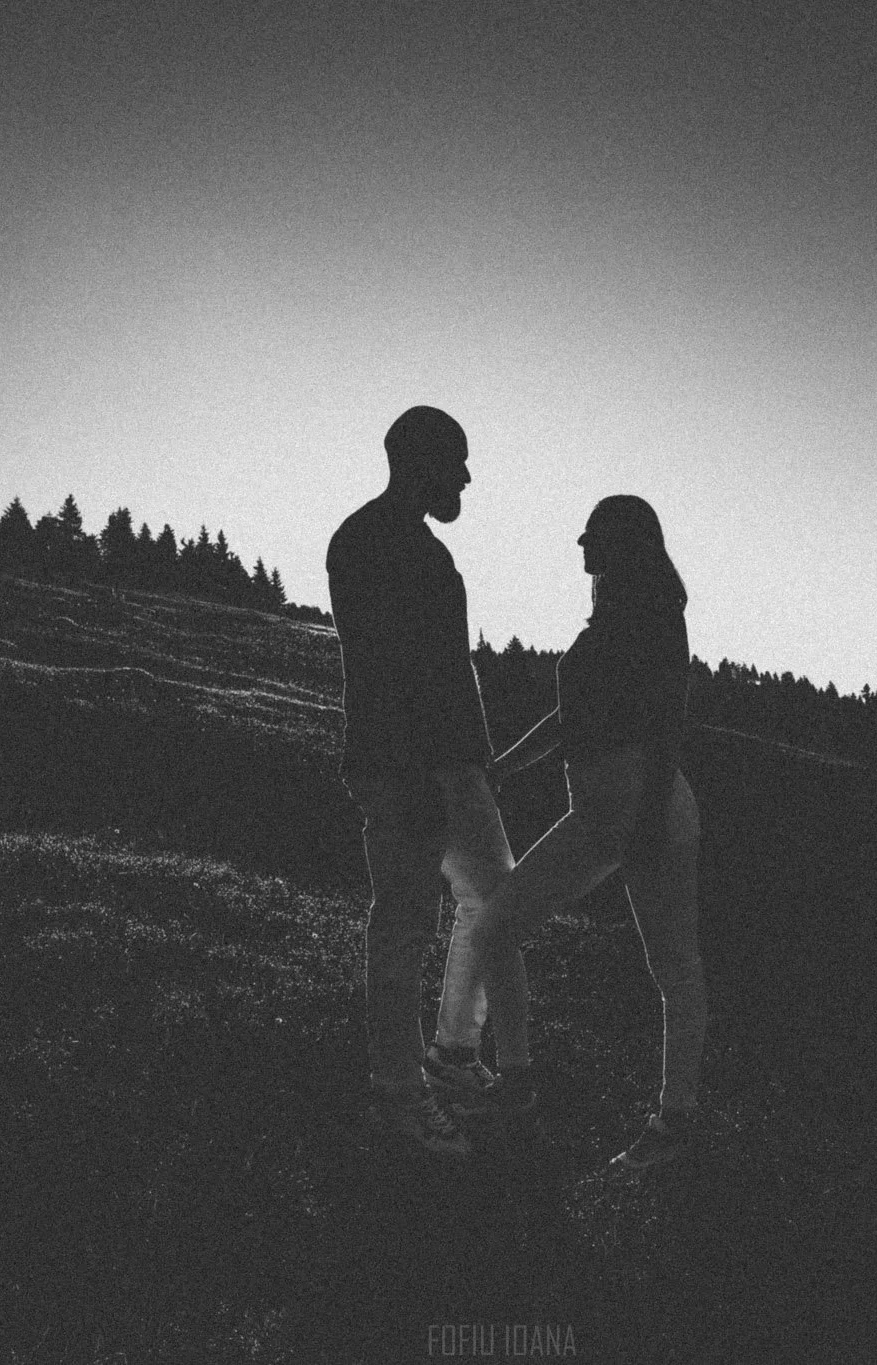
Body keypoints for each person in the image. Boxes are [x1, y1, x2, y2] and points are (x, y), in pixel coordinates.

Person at [461, 494, 706, 1170]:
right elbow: (568, 721)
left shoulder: (659, 621)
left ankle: (675, 1121)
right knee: (495, 927)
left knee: (674, 969)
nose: (580, 543)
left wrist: (648, 820)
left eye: (592, 533)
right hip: (596, 813)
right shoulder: (605, 625)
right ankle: (516, 1083)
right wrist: (505, 766)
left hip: (649, 811)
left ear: (622, 543)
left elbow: (667, 726)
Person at [325, 405, 522, 1159]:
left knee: (495, 901)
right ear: (421, 461)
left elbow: (448, 667)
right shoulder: (370, 541)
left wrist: (475, 756)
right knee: (404, 922)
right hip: (403, 763)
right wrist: (414, 772)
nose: (467, 477)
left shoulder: (421, 551)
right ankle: (397, 1094)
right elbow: (386, 665)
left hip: (451, 763)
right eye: (457, 461)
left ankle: (452, 1053)